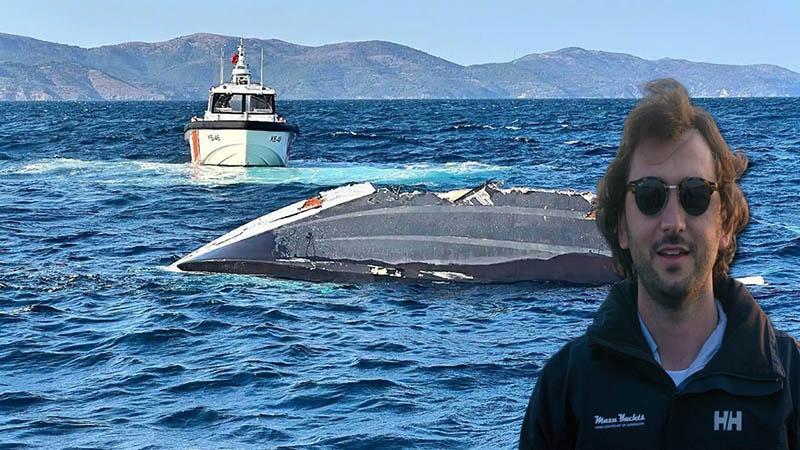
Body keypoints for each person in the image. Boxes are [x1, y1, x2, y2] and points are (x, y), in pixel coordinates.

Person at [519, 79, 799, 449]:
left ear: (726, 224)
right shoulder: (565, 388)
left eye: (695, 195)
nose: (673, 222)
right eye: (649, 196)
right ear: (622, 226)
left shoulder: (788, 379)